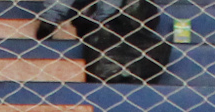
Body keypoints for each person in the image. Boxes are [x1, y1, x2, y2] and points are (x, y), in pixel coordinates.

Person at [37, 0, 172, 84]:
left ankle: (51, 18)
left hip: (116, 16)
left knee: (109, 16)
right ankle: (50, 19)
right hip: (90, 13)